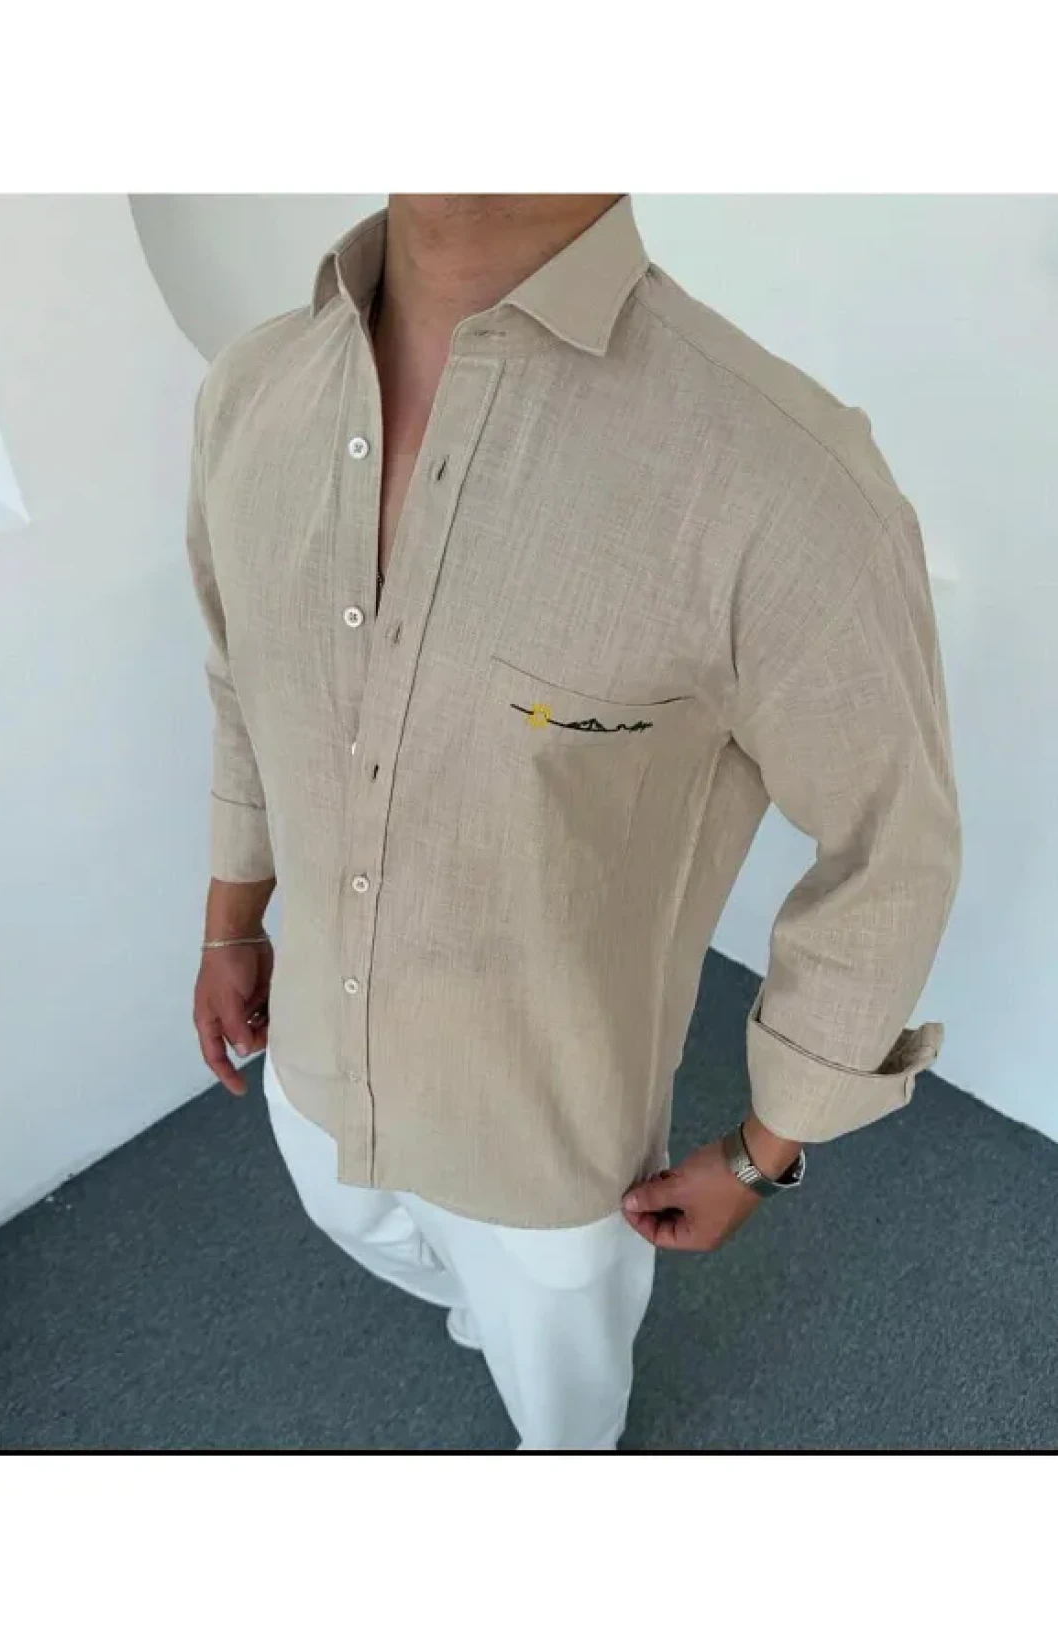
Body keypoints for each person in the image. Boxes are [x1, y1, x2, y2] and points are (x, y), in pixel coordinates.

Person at [186, 193, 960, 1451]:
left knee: (562, 1406)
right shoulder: (248, 390)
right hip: (310, 1058)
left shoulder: (780, 481)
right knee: (358, 1223)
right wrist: (233, 919)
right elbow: (240, 682)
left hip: (545, 1147)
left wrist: (765, 1148)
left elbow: (889, 845)